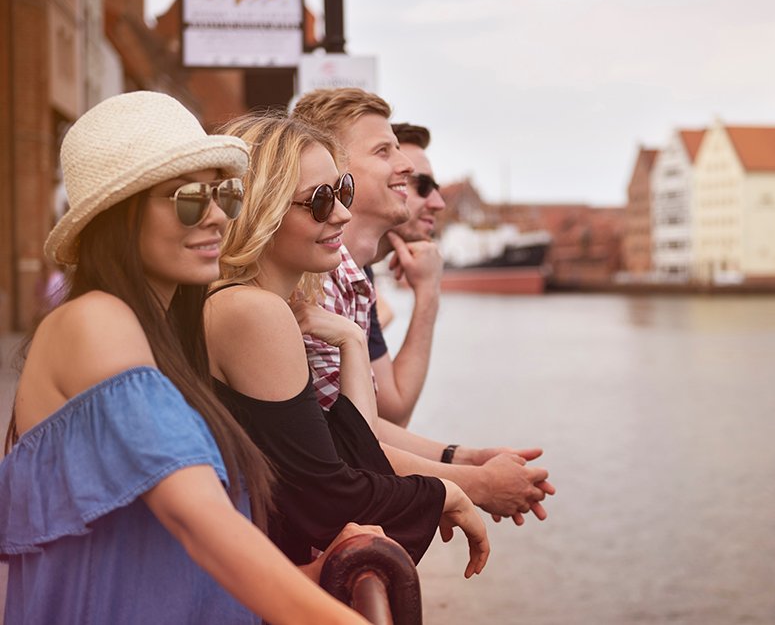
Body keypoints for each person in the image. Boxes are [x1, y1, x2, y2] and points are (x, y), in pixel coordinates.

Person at [0, 92, 369, 624]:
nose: (217, 216)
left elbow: (152, 561)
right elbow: (198, 522)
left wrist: (315, 573)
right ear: (119, 215)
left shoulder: (162, 341)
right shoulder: (95, 321)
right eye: (188, 198)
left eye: (224, 194)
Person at [206, 114, 488, 577]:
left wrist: (352, 340)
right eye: (320, 200)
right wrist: (447, 492)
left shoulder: (256, 307)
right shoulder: (252, 311)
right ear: (262, 209)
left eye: (343, 191)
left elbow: (356, 455)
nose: (341, 213)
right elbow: (330, 500)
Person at [292, 88, 555, 525]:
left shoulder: (354, 279)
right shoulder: (313, 281)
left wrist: (458, 460)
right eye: (384, 151)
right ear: (335, 173)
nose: (434, 199)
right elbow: (347, 438)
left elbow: (359, 422)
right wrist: (468, 484)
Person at [364, 122, 446, 428]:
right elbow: (393, 415)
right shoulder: (336, 272)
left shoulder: (360, 274)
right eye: (422, 186)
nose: (438, 203)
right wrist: (428, 291)